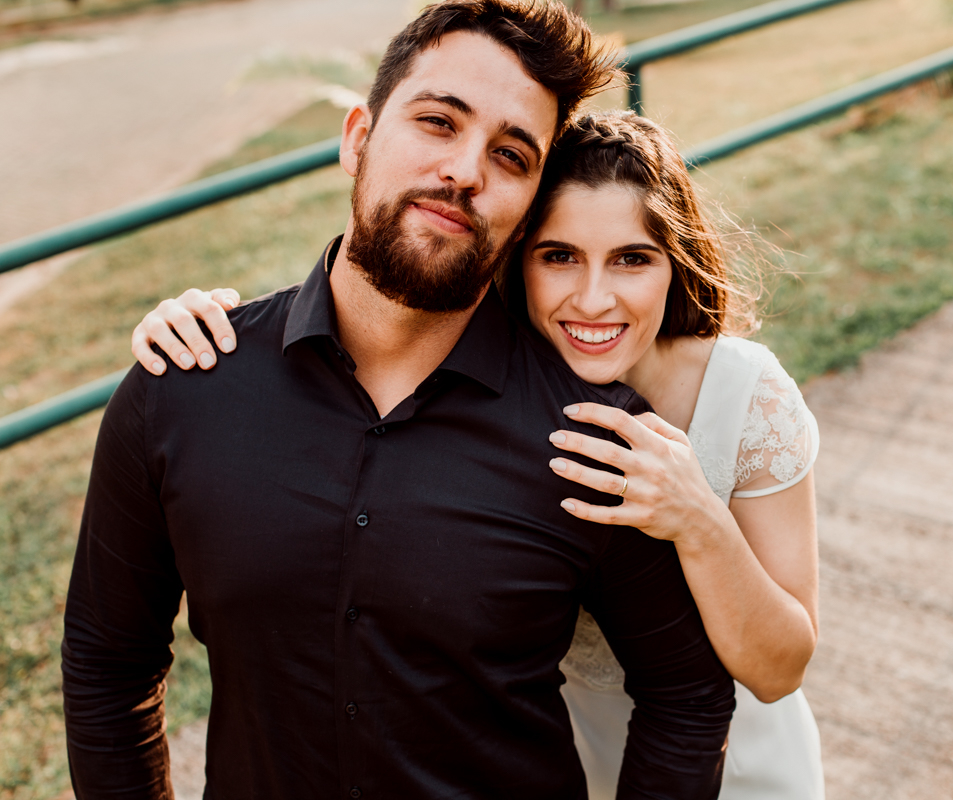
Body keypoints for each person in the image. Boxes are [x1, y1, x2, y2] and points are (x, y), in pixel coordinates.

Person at [61, 3, 737, 799]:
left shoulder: (595, 435)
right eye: (437, 122)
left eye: (511, 155)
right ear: (358, 138)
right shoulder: (182, 388)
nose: (465, 171)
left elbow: (688, 693)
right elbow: (110, 663)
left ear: (524, 219)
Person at [133, 111, 825, 799]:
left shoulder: (745, 398)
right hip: (560, 758)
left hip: (738, 769)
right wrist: (205, 325)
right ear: (513, 258)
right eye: (559, 257)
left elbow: (779, 668)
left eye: (632, 259)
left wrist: (697, 518)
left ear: (676, 260)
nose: (593, 298)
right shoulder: (486, 392)